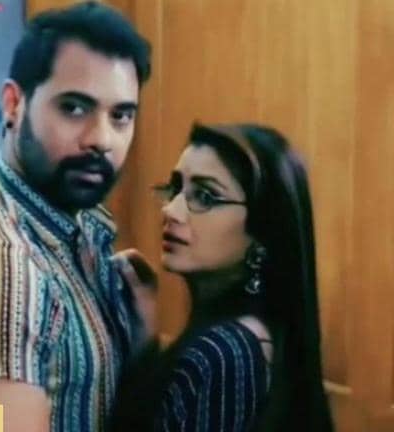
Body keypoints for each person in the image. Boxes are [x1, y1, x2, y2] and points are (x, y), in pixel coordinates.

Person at [0, 2, 154, 432]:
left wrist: (143, 338)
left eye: (121, 116)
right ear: (13, 105)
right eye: (74, 108)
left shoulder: (80, 231)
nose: (102, 139)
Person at [113, 123, 333, 431]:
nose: (171, 210)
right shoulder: (242, 334)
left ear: (263, 230)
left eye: (205, 196)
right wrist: (144, 343)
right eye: (175, 189)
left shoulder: (224, 353)